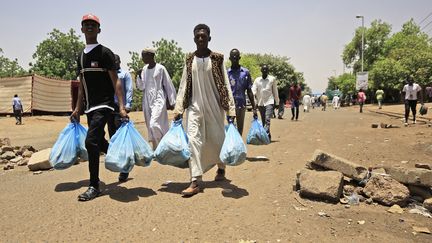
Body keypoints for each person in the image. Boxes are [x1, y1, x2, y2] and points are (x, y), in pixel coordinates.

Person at [173, 24, 236, 197]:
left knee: (218, 139)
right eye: (197, 36)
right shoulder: (189, 59)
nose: (200, 39)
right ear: (194, 38)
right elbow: (184, 84)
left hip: (215, 106)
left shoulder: (217, 59)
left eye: (203, 36)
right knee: (193, 140)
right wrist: (179, 109)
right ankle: (195, 180)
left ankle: (221, 168)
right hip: (195, 106)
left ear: (209, 38)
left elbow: (225, 85)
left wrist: (231, 111)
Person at [71, 14, 128, 201]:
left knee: (90, 142)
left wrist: (121, 106)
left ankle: (94, 185)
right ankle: (122, 162)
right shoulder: (80, 57)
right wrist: (77, 109)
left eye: (93, 25)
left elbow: (116, 81)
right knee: (98, 142)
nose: (89, 27)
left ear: (99, 30)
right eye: (86, 24)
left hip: (104, 104)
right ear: (81, 29)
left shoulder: (105, 53)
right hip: (90, 106)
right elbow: (81, 86)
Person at [136, 47, 176, 149]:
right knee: (150, 125)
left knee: (154, 123)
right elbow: (141, 87)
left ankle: (163, 145)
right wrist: (139, 76)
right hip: (147, 100)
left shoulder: (160, 68)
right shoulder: (144, 69)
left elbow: (168, 84)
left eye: (144, 56)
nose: (142, 58)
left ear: (151, 56)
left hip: (158, 99)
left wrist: (172, 101)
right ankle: (156, 149)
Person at [107, 54, 134, 182]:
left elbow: (129, 89)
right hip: (109, 108)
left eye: (116, 61)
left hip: (120, 108)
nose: (115, 63)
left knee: (122, 138)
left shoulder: (124, 74)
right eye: (113, 61)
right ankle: (118, 161)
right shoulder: (108, 73)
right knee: (113, 137)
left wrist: (127, 105)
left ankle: (125, 170)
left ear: (120, 61)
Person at [227, 48, 257, 134]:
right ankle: (231, 147)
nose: (235, 59)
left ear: (239, 58)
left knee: (240, 130)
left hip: (241, 105)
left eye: (236, 58)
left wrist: (254, 107)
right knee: (230, 129)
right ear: (230, 59)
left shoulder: (245, 72)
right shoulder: (227, 73)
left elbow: (249, 91)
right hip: (230, 106)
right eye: (233, 58)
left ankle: (239, 146)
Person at [252, 64, 279, 140]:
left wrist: (277, 103)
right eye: (263, 69)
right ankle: (268, 136)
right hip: (260, 103)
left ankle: (264, 137)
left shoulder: (272, 79)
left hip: (269, 102)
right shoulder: (257, 80)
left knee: (267, 119)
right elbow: (253, 90)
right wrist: (253, 97)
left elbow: (275, 91)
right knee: (264, 120)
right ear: (261, 70)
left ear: (268, 71)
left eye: (266, 69)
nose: (264, 71)